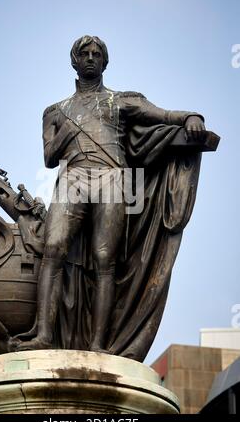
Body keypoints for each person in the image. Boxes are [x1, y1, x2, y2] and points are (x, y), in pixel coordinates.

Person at [14, 35, 206, 355]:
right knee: (54, 248)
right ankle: (44, 336)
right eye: (84, 54)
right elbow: (49, 158)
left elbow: (164, 115)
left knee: (106, 260)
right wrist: (69, 126)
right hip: (73, 178)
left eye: (97, 54)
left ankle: (99, 344)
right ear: (74, 62)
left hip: (113, 178)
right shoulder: (54, 111)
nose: (91, 58)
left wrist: (191, 117)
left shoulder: (122, 99)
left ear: (105, 62)